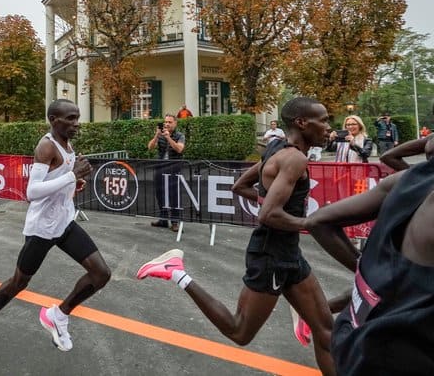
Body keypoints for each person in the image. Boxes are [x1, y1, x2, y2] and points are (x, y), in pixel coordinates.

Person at [137, 97, 337, 375]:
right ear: (302, 123)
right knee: (239, 331)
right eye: (324, 120)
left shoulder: (275, 147)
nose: (329, 127)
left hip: (289, 253)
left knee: (326, 332)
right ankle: (176, 272)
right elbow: (269, 215)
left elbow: (240, 185)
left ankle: (305, 315)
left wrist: (266, 198)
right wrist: (312, 222)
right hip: (271, 256)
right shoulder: (295, 158)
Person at [0, 99, 110, 352]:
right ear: (54, 120)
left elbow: (57, 181)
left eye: (77, 118)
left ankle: (59, 315)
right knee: (18, 283)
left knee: (101, 273)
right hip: (41, 229)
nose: (76, 123)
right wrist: (71, 176)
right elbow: (32, 192)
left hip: (64, 222)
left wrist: (73, 184)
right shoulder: (46, 146)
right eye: (70, 118)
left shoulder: (68, 144)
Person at [302, 136, 434, 374]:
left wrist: (367, 270)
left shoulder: (407, 180)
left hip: (357, 341)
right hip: (401, 356)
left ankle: (309, 312)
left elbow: (318, 221)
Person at [147, 114, 186, 232]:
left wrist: (169, 138)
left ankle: (175, 222)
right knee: (160, 194)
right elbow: (150, 147)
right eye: (165, 122)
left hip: (174, 168)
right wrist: (156, 136)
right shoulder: (161, 135)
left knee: (174, 195)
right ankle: (163, 220)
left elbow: (179, 149)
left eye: (170, 122)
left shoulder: (180, 136)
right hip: (160, 167)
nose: (167, 124)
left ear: (175, 123)